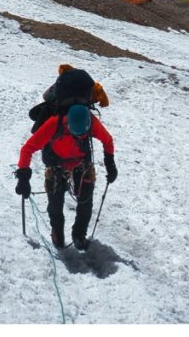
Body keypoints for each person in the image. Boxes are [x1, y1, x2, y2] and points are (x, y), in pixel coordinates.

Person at [15, 103, 117, 251]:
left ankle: (79, 235)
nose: (81, 137)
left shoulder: (92, 122)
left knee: (86, 201)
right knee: (55, 203)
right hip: (56, 162)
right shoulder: (54, 124)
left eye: (83, 135)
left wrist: (110, 163)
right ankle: (57, 232)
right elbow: (28, 149)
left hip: (81, 161)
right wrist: (23, 177)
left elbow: (107, 140)